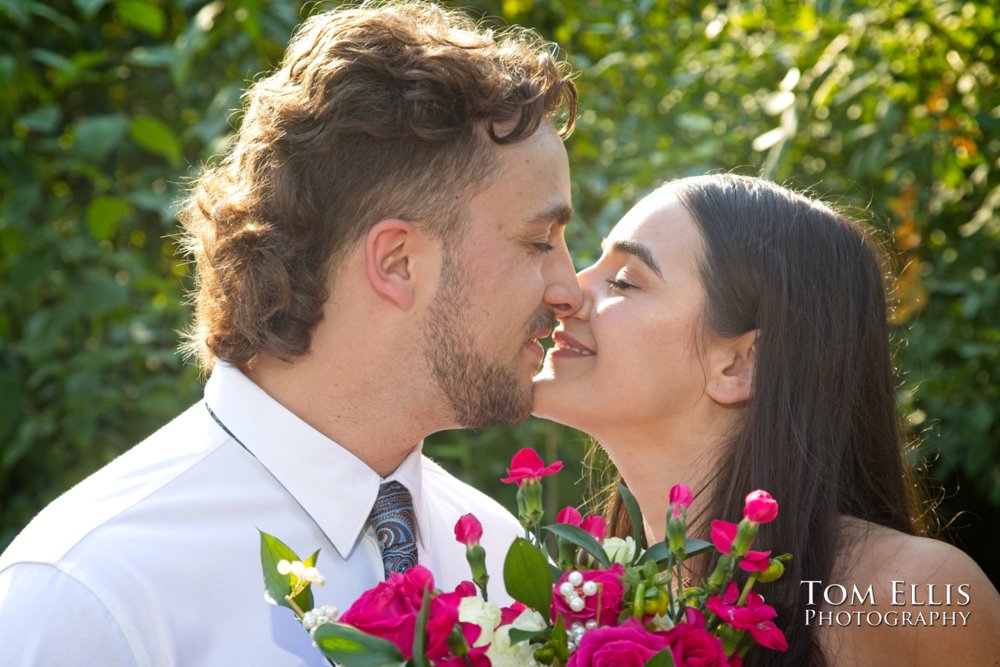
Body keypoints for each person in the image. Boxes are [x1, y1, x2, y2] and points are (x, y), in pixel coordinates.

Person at [0, 2, 582, 664]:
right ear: (398, 263)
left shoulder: (502, 557)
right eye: (540, 241)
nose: (571, 288)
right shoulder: (92, 595)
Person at [533, 173, 1000, 666]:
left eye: (625, 281)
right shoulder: (579, 610)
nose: (566, 291)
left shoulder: (915, 596)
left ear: (740, 364)